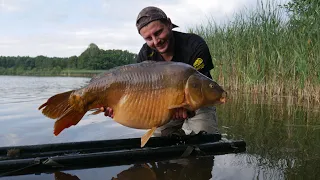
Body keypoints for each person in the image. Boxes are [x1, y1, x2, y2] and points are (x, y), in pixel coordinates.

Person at [103, 6, 219, 137]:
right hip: (164, 107)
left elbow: (200, 89)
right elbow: (140, 96)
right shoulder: (145, 55)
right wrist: (116, 107)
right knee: (159, 141)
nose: (156, 41)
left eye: (158, 32)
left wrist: (185, 109)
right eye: (148, 38)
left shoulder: (195, 45)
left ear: (169, 24)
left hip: (200, 104)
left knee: (203, 141)